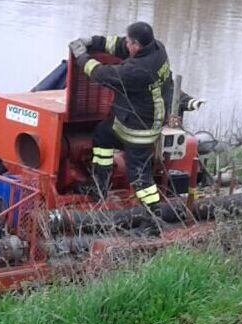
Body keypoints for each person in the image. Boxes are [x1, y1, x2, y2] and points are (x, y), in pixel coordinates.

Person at [68, 22, 176, 224]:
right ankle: (100, 187)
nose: (125, 44)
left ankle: (154, 220)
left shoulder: (138, 71)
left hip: (139, 131)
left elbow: (102, 74)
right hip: (136, 119)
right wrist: (94, 41)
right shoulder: (157, 49)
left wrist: (82, 57)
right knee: (102, 134)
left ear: (136, 45)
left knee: (139, 177)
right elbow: (118, 45)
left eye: (129, 42)